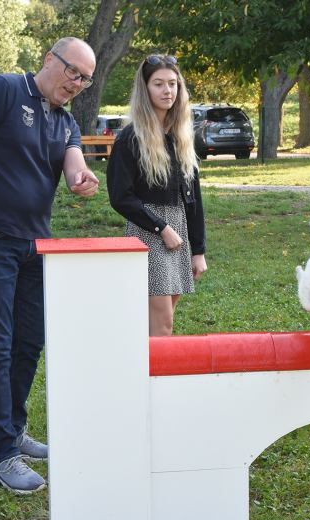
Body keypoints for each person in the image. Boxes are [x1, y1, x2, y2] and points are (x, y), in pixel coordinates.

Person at [0, 38, 99, 495]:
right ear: (48, 60)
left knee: (29, 341)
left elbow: (73, 162)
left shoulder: (66, 120)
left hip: (39, 247)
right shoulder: (3, 90)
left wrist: (82, 178)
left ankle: (14, 428)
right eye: (72, 71)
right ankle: (4, 455)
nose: (75, 83)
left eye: (84, 78)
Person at [107, 54, 207, 336]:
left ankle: (142, 372)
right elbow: (120, 197)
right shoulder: (130, 138)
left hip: (178, 232)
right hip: (147, 233)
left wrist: (198, 250)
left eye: (173, 84)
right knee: (162, 324)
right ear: (145, 89)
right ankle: (153, 378)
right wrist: (161, 228)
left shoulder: (181, 137)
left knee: (159, 323)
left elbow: (193, 199)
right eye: (159, 84)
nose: (167, 91)